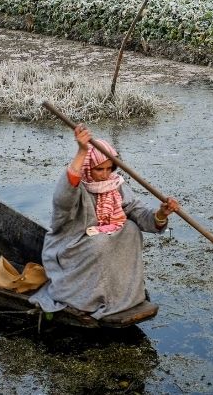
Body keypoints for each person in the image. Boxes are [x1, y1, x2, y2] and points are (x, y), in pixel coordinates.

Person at [30, 124, 179, 318]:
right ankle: (88, 298)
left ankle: (121, 295)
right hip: (72, 244)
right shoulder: (76, 186)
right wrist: (82, 151)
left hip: (103, 240)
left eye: (110, 168)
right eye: (99, 169)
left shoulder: (114, 184)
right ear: (87, 167)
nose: (105, 174)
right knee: (101, 242)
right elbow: (63, 200)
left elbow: (137, 212)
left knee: (131, 230)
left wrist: (161, 214)